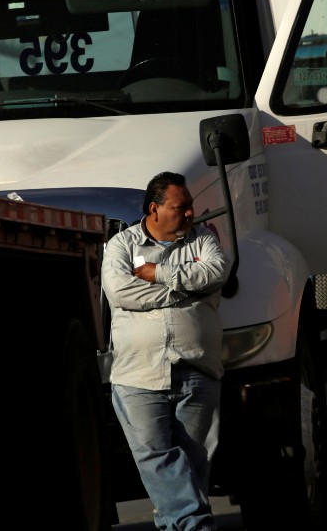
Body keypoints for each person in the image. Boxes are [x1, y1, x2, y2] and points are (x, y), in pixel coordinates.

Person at [102, 171, 230, 531]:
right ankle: (194, 525)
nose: (191, 213)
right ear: (154, 209)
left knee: (192, 463)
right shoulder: (122, 246)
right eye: (182, 207)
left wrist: (157, 273)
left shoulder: (204, 239)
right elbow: (121, 294)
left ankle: (181, 524)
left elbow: (216, 272)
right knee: (156, 456)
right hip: (138, 375)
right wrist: (184, 291)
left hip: (197, 369)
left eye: (190, 206)